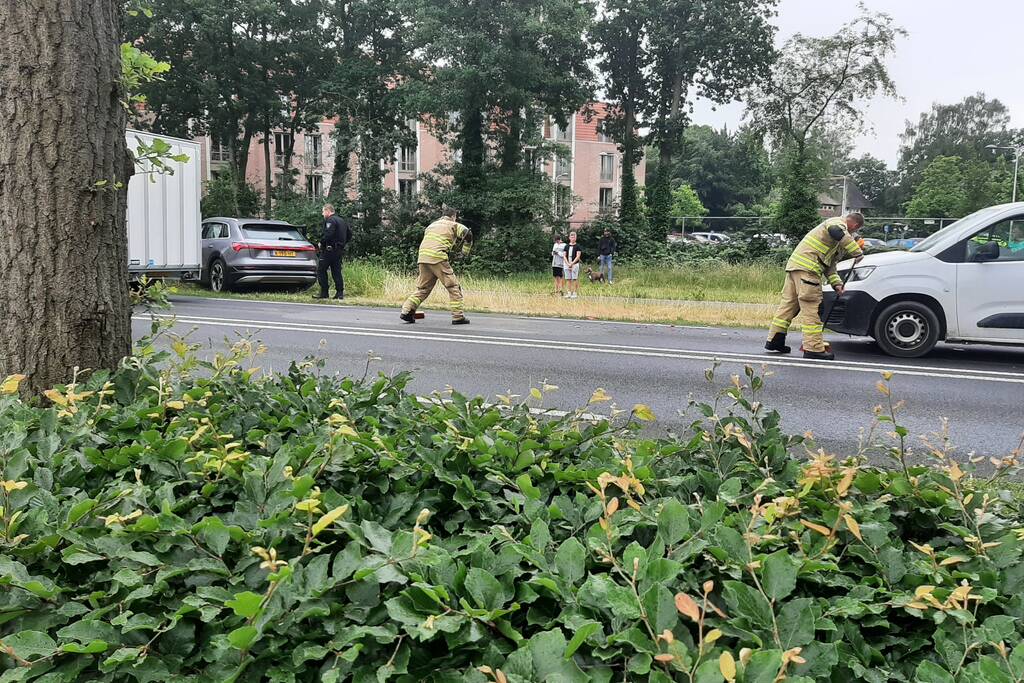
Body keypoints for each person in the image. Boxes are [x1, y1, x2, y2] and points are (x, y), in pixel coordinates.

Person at [765, 213, 865, 360]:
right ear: (855, 226)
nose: (852, 235)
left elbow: (830, 266)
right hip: (808, 271)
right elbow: (837, 231)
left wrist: (837, 284)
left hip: (795, 269)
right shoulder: (837, 223)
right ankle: (813, 348)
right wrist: (857, 252)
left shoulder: (834, 241)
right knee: (813, 309)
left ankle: (775, 340)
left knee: (787, 307)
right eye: (854, 232)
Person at [400, 208, 474, 325]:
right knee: (453, 287)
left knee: (423, 289)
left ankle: (407, 311)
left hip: (423, 257)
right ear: (453, 216)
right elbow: (467, 234)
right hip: (437, 257)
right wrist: (464, 252)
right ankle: (458, 317)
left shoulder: (431, 226)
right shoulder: (453, 224)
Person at [314, 204, 352, 300]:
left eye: (323, 212)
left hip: (329, 250)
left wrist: (321, 242)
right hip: (338, 250)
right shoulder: (342, 221)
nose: (323, 214)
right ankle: (339, 293)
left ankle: (324, 292)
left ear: (328, 211)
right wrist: (342, 244)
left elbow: (329, 234)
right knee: (336, 271)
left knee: (321, 270)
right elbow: (349, 234)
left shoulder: (330, 220)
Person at [562, 231, 582, 299]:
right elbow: (564, 255)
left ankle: (575, 293)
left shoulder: (578, 246)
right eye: (571, 237)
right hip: (567, 264)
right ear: (569, 238)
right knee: (568, 279)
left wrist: (572, 263)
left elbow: (578, 256)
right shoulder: (566, 246)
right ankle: (569, 293)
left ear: (576, 238)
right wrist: (568, 263)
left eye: (574, 237)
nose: (573, 238)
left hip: (575, 264)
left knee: (574, 279)